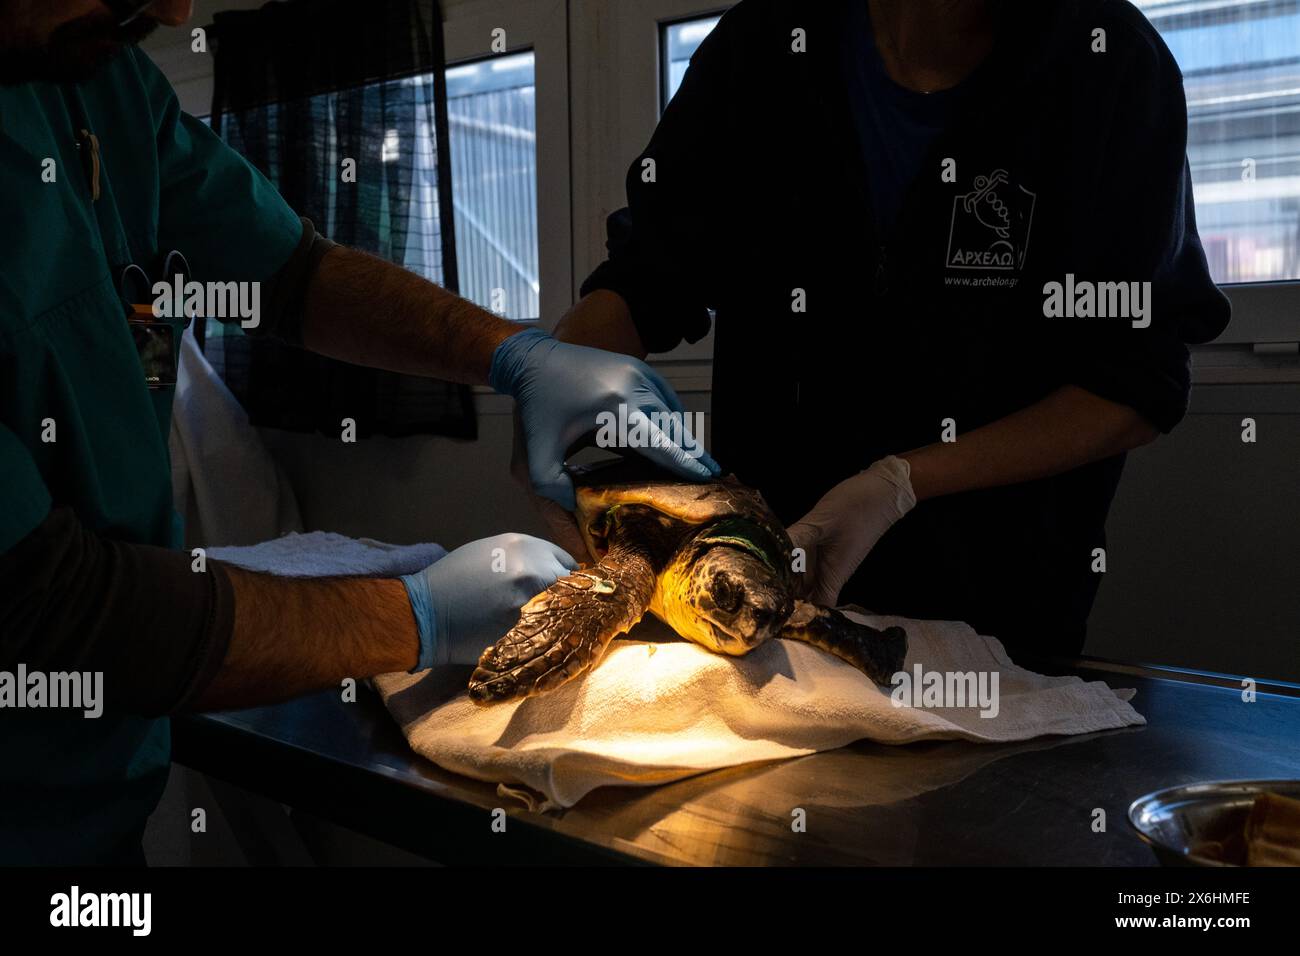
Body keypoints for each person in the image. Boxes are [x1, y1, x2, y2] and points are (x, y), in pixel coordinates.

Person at [0, 0, 717, 864]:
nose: (177, 9)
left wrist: (514, 355)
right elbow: (47, 604)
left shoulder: (99, 85)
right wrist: (413, 617)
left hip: (102, 791)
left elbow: (292, 274)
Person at [544, 0, 1231, 659]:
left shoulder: (1106, 64)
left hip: (998, 618)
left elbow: (1133, 384)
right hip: (764, 588)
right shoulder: (763, 49)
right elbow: (645, 281)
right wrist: (548, 381)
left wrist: (899, 484)